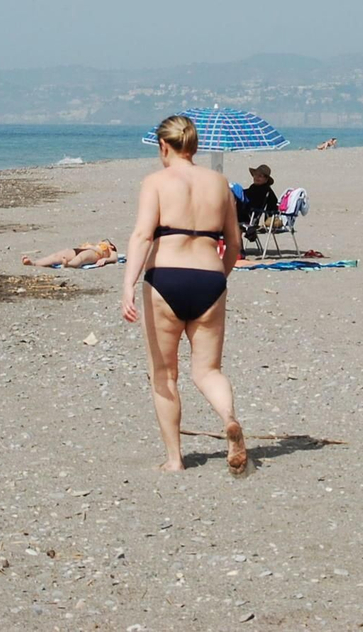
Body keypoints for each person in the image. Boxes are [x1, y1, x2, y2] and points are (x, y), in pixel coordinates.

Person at [120, 115, 247, 475]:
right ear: (194, 146)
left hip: (166, 278)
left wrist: (128, 284)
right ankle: (229, 419)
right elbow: (234, 244)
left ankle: (175, 460)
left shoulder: (156, 181)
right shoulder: (219, 183)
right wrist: (219, 279)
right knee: (208, 370)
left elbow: (143, 235)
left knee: (164, 374)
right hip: (209, 277)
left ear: (164, 146)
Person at [22, 239, 117, 268]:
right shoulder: (96, 244)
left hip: (95, 254)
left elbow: (114, 258)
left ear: (111, 246)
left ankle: (69, 264)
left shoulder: (110, 249)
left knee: (81, 258)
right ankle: (34, 263)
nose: (102, 242)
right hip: (79, 249)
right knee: (57, 255)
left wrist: (106, 259)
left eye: (105, 242)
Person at [237, 163, 278, 229]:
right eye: (255, 175)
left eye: (260, 176)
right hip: (246, 214)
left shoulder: (266, 190)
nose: (256, 177)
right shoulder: (253, 187)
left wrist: (267, 220)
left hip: (250, 216)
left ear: (266, 179)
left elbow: (272, 205)